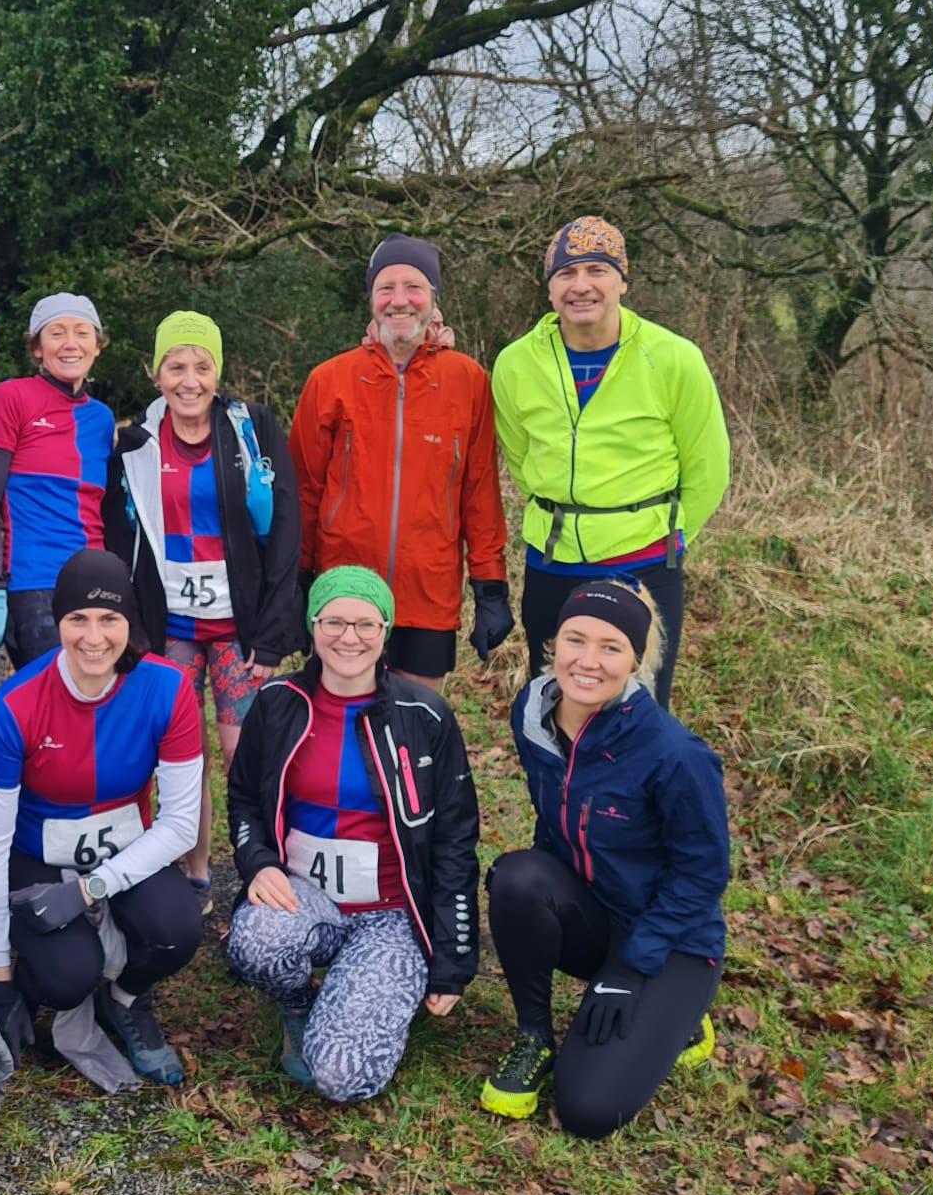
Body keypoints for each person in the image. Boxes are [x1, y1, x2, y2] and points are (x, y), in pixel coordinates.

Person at [479, 579, 729, 1137]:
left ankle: (680, 1016)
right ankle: (533, 1039)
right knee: (519, 879)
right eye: (575, 640)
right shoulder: (533, 714)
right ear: (553, 644)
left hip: (672, 943)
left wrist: (630, 966)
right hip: (594, 916)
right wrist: (545, 912)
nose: (588, 661)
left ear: (636, 660)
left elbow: (703, 874)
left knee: (588, 1112)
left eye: (611, 647)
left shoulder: (675, 755)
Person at [225, 567, 479, 1101]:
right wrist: (259, 863)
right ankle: (296, 1004)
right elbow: (245, 798)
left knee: (342, 1077)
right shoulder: (277, 703)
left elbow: (455, 839)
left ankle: (368, 991)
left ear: (386, 631)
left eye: (366, 624)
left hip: (388, 912)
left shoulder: (425, 714)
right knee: (256, 941)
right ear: (312, 626)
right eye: (334, 621)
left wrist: (452, 961)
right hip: (304, 897)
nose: (349, 637)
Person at [0, 551, 205, 1084]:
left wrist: (90, 890)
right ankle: (48, 977)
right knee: (66, 979)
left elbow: (180, 825)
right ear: (58, 622)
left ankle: (125, 999)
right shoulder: (15, 705)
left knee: (178, 929)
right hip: (38, 858)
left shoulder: (167, 689)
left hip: (122, 857)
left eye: (109, 619)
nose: (93, 636)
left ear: (130, 622)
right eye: (78, 618)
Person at [490, 216, 731, 707]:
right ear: (550, 287)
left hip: (644, 563)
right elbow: (520, 454)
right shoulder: (515, 363)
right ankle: (556, 788)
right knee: (554, 703)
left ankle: (635, 788)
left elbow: (708, 466)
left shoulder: (674, 358)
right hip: (552, 563)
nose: (581, 286)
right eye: (565, 274)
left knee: (638, 710)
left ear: (623, 280)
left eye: (597, 270)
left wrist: (669, 533)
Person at [107, 311, 305, 904]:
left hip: (239, 629)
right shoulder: (134, 438)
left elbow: (286, 529)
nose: (188, 380)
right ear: (156, 371)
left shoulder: (252, 427)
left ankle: (261, 872)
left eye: (201, 366)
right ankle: (193, 874)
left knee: (243, 754)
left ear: (219, 372)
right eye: (175, 366)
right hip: (172, 627)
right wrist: (134, 631)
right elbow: (123, 539)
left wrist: (272, 635)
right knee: (178, 754)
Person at [288, 235, 512, 689]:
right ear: (371, 299)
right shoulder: (330, 380)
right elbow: (305, 490)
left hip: (428, 592)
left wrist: (491, 588)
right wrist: (296, 579)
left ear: (433, 299)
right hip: (345, 588)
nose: (399, 300)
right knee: (344, 723)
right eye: (385, 288)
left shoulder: (468, 381)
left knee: (416, 727)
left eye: (414, 287)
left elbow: (479, 492)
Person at [0, 294, 117, 669]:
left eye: (82, 333)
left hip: (95, 580)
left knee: (97, 707)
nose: (71, 343)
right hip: (33, 584)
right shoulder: (11, 398)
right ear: (37, 347)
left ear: (97, 347)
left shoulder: (102, 419)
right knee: (51, 704)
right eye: (57, 333)